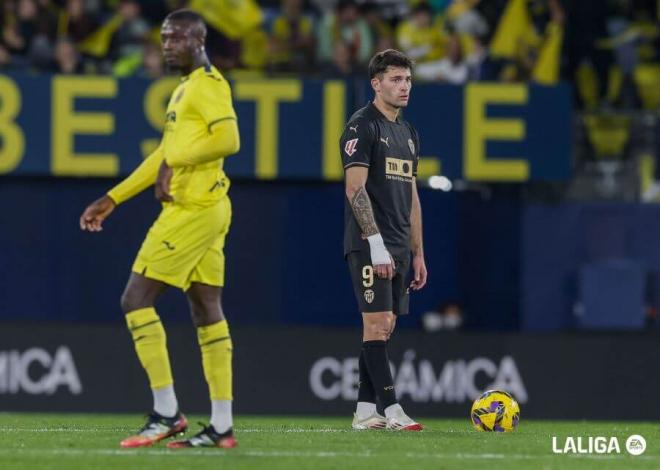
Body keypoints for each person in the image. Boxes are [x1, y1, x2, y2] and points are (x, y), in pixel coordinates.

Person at [79, 9, 240, 449]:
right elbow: (165, 154)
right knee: (207, 310)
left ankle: (166, 412)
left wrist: (177, 159)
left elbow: (230, 140)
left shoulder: (207, 85)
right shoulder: (185, 88)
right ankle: (222, 425)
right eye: (165, 38)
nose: (168, 44)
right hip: (209, 207)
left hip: (191, 210)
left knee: (135, 299)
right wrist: (113, 198)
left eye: (176, 38)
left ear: (198, 40)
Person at [340, 49, 427, 431]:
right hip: (369, 243)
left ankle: (363, 410)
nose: (403, 86)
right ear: (376, 84)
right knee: (376, 324)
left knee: (385, 325)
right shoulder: (362, 126)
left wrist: (418, 252)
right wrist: (374, 244)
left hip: (398, 244)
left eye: (407, 79)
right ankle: (391, 409)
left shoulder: (407, 133)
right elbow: (354, 189)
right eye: (395, 79)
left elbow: (411, 195)